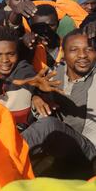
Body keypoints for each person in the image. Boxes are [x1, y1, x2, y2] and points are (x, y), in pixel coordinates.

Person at [21, 29, 96, 179]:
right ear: (64, 53)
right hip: (61, 144)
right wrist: (36, 97)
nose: (82, 55)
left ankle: (1, 155)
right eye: (74, 50)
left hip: (90, 151)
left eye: (89, 49)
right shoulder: (55, 72)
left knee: (48, 126)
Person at [22, 4, 63, 71]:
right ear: (31, 26)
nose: (46, 30)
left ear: (58, 24)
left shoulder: (67, 46)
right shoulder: (26, 47)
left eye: (51, 25)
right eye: (39, 27)